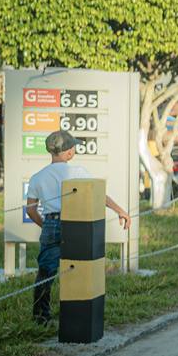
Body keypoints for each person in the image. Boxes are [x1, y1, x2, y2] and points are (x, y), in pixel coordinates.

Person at [23, 130, 131, 324]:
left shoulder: (37, 177)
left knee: (46, 272)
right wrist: (120, 211)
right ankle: (78, 315)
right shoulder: (78, 172)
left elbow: (31, 210)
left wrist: (46, 225)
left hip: (50, 222)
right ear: (69, 152)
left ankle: (40, 317)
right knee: (81, 268)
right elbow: (100, 195)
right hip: (76, 224)